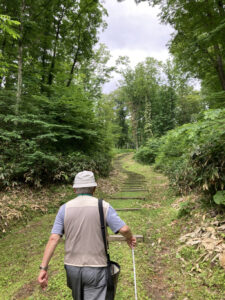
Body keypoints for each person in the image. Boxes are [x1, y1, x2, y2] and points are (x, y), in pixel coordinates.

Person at [38, 170, 136, 300]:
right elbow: (124, 229)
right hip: (96, 268)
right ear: (94, 188)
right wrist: (130, 238)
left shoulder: (64, 209)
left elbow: (53, 238)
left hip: (72, 268)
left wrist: (43, 268)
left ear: (75, 189)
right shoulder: (103, 206)